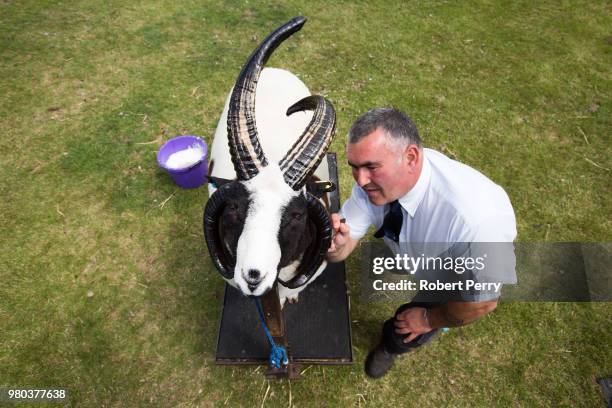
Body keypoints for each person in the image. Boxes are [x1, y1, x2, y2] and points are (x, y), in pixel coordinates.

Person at [326, 108, 517, 379]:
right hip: (426, 251)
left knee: (407, 324)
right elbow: (342, 248)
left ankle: (391, 346)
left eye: (371, 167)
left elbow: (481, 304)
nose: (360, 181)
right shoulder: (377, 184)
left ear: (411, 158)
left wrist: (429, 319)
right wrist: (335, 246)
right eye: (354, 168)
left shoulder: (474, 225)